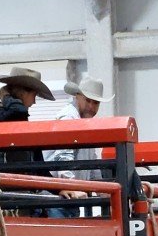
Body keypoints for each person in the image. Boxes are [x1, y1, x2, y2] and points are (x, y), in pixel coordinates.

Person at [43, 75, 113, 209]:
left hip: (66, 195)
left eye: (96, 103)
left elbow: (91, 161)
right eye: (88, 101)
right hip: (60, 197)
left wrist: (100, 187)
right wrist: (73, 187)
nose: (91, 107)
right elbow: (62, 158)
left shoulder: (84, 123)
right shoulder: (69, 118)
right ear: (77, 96)